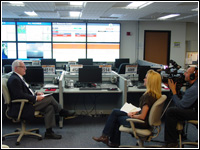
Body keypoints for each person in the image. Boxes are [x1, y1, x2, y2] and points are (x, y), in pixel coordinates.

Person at [7, 60, 75, 139]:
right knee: (49, 98)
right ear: (16, 68)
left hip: (27, 102)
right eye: (23, 67)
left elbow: (24, 92)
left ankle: (49, 132)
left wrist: (36, 93)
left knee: (50, 107)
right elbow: (19, 95)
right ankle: (61, 111)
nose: (25, 69)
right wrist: (35, 98)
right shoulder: (14, 79)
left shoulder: (18, 77)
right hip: (22, 106)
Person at [92, 70, 162, 147]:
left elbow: (142, 117)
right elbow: (146, 111)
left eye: (146, 78)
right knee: (115, 112)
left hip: (140, 123)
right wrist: (136, 111)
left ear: (151, 82)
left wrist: (132, 115)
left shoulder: (147, 97)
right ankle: (108, 138)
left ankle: (107, 138)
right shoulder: (156, 95)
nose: (144, 79)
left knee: (116, 116)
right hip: (147, 122)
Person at [164, 66, 198, 148]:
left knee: (171, 112)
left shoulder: (194, 88)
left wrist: (174, 92)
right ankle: (180, 135)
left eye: (187, 73)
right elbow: (187, 99)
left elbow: (181, 106)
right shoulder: (195, 85)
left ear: (193, 76)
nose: (184, 74)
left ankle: (172, 143)